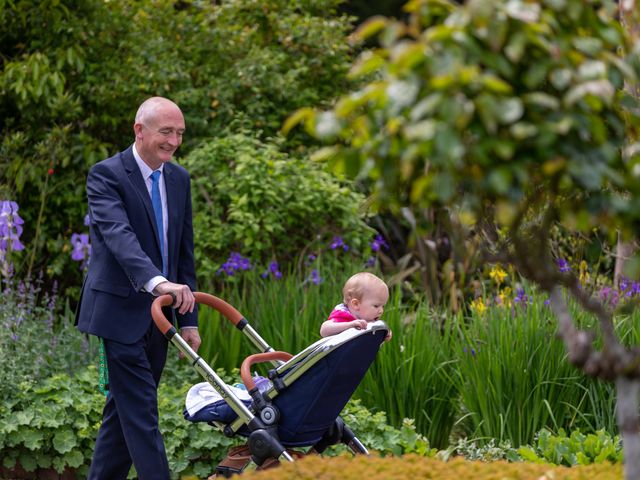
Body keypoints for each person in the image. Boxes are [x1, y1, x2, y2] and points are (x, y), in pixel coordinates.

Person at [76, 96, 201, 480]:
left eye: (179, 133)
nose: (174, 141)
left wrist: (189, 320)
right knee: (142, 412)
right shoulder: (106, 175)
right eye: (166, 132)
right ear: (140, 130)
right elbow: (119, 237)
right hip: (119, 314)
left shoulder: (179, 179)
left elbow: (183, 253)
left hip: (161, 318)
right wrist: (158, 282)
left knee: (122, 415)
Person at [320, 272, 392, 341]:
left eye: (383, 306)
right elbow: (324, 330)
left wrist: (382, 335)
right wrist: (349, 325)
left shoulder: (369, 323)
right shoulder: (343, 315)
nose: (381, 311)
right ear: (356, 304)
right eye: (376, 306)